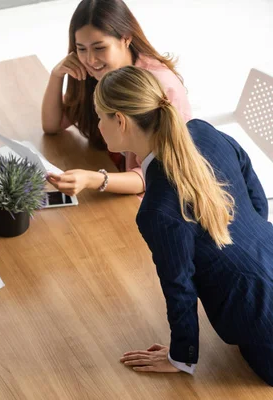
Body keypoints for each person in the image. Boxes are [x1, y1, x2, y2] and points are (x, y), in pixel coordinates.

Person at [93, 65, 273, 385]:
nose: (98, 125)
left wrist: (182, 356)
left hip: (256, 315)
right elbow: (255, 192)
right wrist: (248, 242)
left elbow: (180, 287)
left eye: (99, 116)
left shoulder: (157, 209)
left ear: (119, 120)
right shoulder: (202, 131)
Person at [43, 0, 192, 197]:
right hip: (113, 170)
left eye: (99, 48)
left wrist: (93, 179)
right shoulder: (94, 73)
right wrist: (57, 75)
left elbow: (157, 175)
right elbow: (52, 126)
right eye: (81, 49)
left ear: (126, 39)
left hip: (153, 198)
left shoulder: (157, 88)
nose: (90, 60)